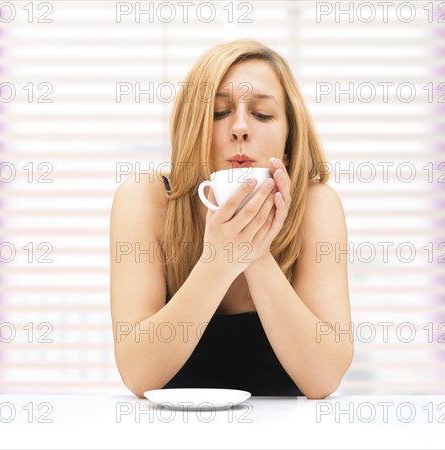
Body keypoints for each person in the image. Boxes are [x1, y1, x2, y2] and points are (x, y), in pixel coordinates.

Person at [110, 39, 353, 398]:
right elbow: (138, 375)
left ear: (288, 143)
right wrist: (219, 261)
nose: (240, 128)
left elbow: (323, 380)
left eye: (263, 114)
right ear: (192, 131)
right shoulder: (145, 198)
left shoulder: (317, 207)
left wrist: (255, 254)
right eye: (219, 112)